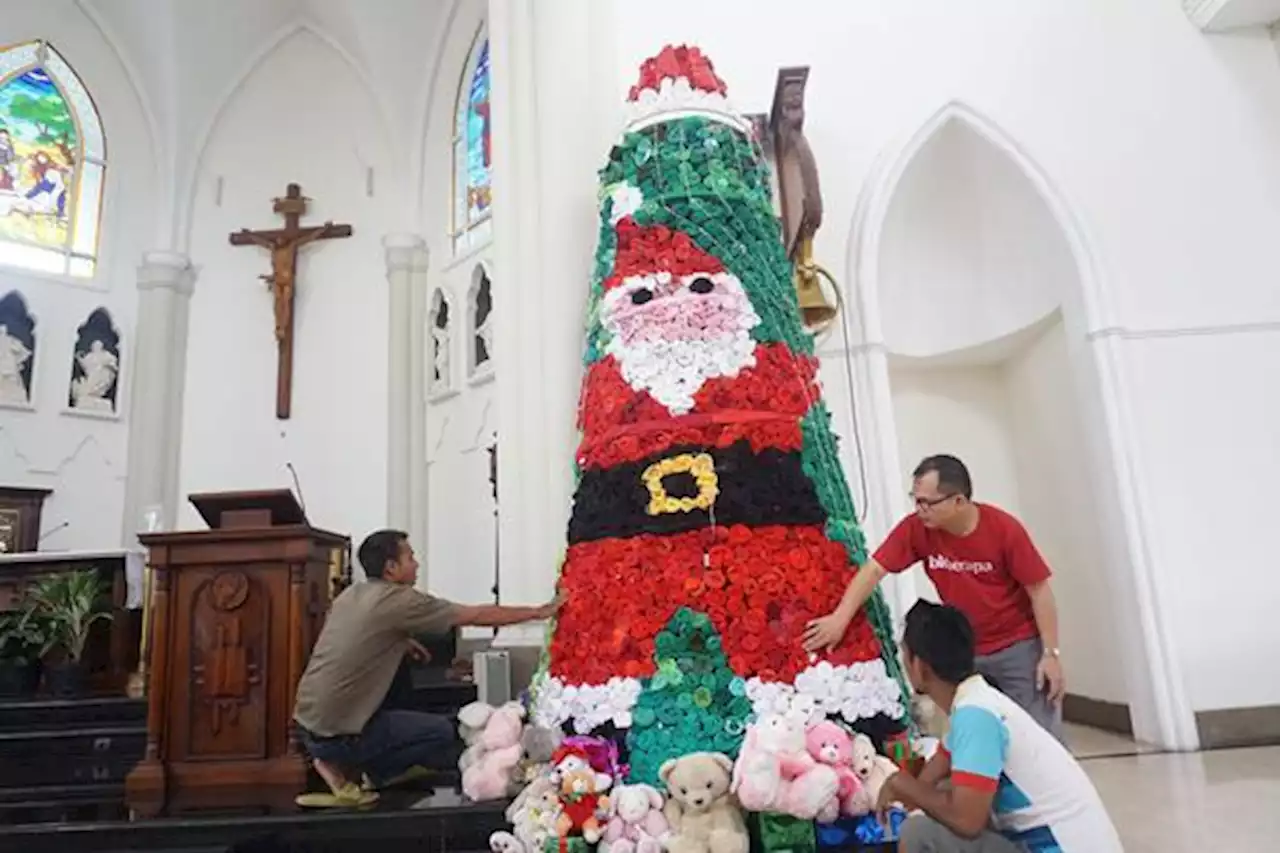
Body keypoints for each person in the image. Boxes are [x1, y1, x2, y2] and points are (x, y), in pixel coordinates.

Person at [805, 455, 1066, 739]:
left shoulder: (1004, 530)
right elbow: (874, 569)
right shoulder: (917, 529)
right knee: (976, 735)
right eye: (915, 500)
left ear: (959, 501)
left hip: (1016, 646)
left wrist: (1050, 653)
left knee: (1038, 737)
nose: (920, 510)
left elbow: (1039, 590)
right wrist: (840, 619)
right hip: (965, 650)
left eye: (929, 502)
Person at [293, 528, 558, 805]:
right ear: (391, 568)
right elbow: (475, 614)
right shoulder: (400, 601)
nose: (416, 563)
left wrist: (404, 642)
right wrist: (539, 612)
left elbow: (357, 640)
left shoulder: (351, 594)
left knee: (404, 685)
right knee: (445, 732)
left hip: (307, 727)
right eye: (410, 557)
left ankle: (349, 763)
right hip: (337, 737)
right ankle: (372, 769)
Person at [879, 601, 1122, 853]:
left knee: (919, 832)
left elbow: (967, 821)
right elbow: (930, 779)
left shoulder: (976, 715)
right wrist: (908, 789)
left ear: (919, 666)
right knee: (944, 797)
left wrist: (900, 784)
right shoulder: (974, 699)